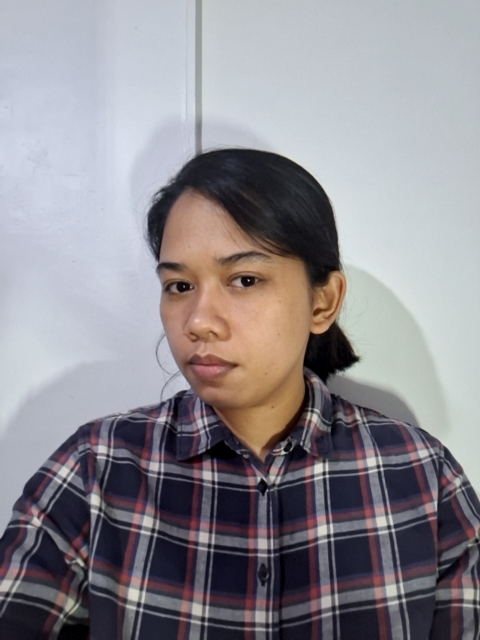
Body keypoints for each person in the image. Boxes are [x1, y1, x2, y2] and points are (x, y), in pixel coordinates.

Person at [0, 148, 479, 639]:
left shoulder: (421, 477)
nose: (199, 321)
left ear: (323, 301)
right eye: (179, 285)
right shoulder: (96, 470)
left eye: (245, 280)